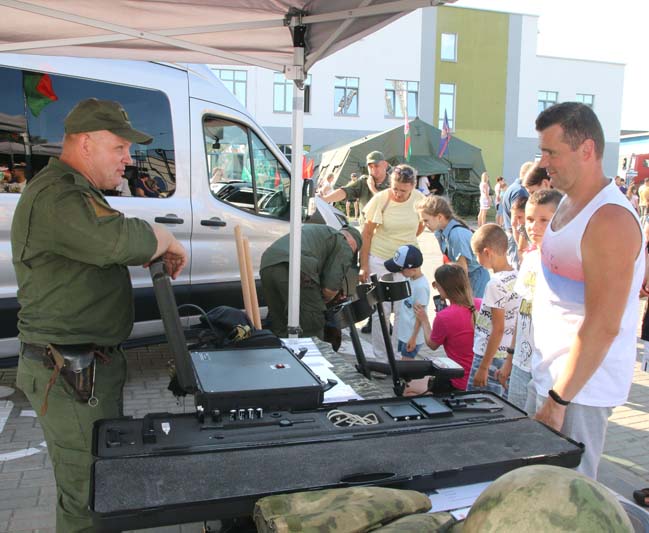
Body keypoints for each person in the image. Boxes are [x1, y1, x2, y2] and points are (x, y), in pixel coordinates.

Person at [11, 98, 188, 533]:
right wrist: (163, 235)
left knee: (101, 482)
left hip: (86, 366)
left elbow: (113, 232)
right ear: (86, 143)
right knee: (88, 494)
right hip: (67, 371)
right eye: (120, 148)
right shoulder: (59, 195)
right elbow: (118, 240)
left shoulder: (76, 190)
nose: (129, 159)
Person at [528, 102, 644, 479]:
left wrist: (559, 398)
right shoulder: (567, 204)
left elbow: (604, 324)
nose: (544, 162)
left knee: (569, 503)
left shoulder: (609, 219)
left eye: (552, 152)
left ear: (587, 150)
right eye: (542, 151)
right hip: (550, 378)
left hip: (578, 393)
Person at [497, 190, 563, 410]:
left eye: (544, 220)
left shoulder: (566, 264)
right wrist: (510, 357)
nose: (534, 226)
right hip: (521, 363)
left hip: (549, 368)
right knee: (516, 419)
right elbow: (520, 312)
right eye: (530, 219)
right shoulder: (530, 259)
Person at [359, 164, 424, 361]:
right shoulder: (382, 199)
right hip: (381, 259)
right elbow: (367, 234)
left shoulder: (419, 199)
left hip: (407, 264)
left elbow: (420, 226)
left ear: (413, 186)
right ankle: (381, 358)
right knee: (382, 311)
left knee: (404, 310)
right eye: (395, 188)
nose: (398, 193)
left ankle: (397, 355)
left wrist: (407, 245)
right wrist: (364, 265)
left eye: (403, 190)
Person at [260, 224, 362, 340]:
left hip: (268, 263)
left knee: (280, 324)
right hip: (294, 267)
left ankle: (282, 354)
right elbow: (330, 288)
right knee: (312, 323)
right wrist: (323, 301)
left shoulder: (321, 232)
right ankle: (310, 356)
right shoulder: (344, 243)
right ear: (353, 243)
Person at [467, 224, 520, 397]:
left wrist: (483, 367)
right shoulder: (517, 276)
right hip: (505, 354)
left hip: (488, 355)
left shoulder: (495, 284)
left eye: (477, 255)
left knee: (476, 403)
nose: (477, 260)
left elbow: (498, 328)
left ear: (487, 252)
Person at [415, 263, 481, 391]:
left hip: (458, 381)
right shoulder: (481, 304)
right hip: (481, 378)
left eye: (437, 285)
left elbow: (432, 345)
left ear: (443, 287)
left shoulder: (444, 317)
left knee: (409, 388)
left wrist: (424, 320)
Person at [416, 195, 490, 298]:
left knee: (472, 313)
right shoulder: (439, 231)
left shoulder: (456, 235)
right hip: (465, 278)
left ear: (440, 217)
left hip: (474, 279)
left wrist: (457, 294)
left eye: (426, 220)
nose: (424, 225)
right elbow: (448, 259)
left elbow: (462, 271)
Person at [384, 245, 429, 360]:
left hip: (411, 336)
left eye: (401, 270)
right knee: (402, 365)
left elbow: (420, 316)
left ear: (412, 269)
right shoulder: (409, 278)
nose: (400, 273)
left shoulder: (421, 287)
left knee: (406, 369)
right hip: (404, 334)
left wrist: (413, 338)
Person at [321, 151, 391, 223]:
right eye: (370, 167)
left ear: (385, 165)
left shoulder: (393, 183)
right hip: (366, 229)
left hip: (386, 228)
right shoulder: (363, 182)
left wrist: (372, 187)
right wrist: (325, 199)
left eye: (376, 166)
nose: (373, 169)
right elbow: (345, 191)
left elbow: (385, 203)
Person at [509, 195, 529, 268]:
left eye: (520, 217)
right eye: (515, 217)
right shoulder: (523, 227)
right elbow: (521, 248)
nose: (518, 221)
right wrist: (514, 227)